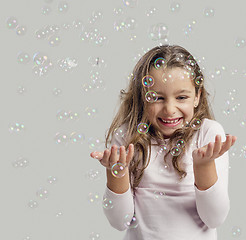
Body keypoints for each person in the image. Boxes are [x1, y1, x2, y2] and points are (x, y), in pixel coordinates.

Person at [90, 44, 237, 240]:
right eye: (157, 97)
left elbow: (214, 218)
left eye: (182, 97)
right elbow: (119, 221)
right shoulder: (128, 137)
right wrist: (117, 172)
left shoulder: (207, 134)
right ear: (142, 98)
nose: (169, 109)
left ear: (197, 96)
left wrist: (204, 166)